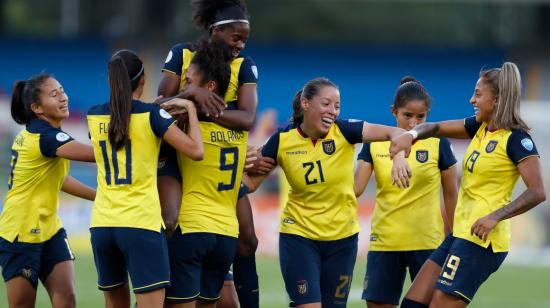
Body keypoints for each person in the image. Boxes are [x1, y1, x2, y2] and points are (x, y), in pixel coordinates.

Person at [243, 77, 413, 308]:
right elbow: (250, 184)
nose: (333, 111)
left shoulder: (346, 130)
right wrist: (238, 164)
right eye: (326, 104)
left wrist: (400, 159)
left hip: (342, 239)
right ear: (306, 104)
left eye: (337, 106)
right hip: (299, 237)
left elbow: (397, 133)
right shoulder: (281, 141)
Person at [390, 62, 546, 308]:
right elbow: (436, 127)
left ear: (495, 100)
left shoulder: (517, 140)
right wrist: (410, 136)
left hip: (482, 240)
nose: (472, 100)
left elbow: (538, 192)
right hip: (460, 233)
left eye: (478, 94)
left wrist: (495, 217)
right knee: (412, 302)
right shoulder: (479, 128)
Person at [158, 0, 261, 306]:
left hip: (219, 157)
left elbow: (246, 119)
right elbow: (161, 103)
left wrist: (196, 105)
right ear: (217, 31)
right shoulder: (182, 54)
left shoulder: (244, 66)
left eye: (244, 39)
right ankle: (156, 281)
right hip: (182, 159)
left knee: (249, 240)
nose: (240, 45)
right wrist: (192, 94)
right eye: (236, 38)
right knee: (171, 219)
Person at [87, 49, 203, 308]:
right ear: (143, 81)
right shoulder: (152, 115)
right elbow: (196, 151)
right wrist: (190, 109)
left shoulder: (93, 116)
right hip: (140, 224)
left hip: (102, 224)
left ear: (110, 81)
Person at [354, 77, 458, 308]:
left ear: (427, 114)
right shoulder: (375, 142)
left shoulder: (439, 144)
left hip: (427, 242)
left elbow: (451, 194)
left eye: (420, 116)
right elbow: (356, 189)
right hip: (385, 241)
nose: (413, 123)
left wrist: (456, 237)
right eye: (407, 115)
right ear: (394, 111)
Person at [0, 73, 96, 308]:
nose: (63, 97)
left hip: (50, 229)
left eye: (62, 90)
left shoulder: (38, 134)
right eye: (54, 94)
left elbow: (58, 179)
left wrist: (100, 197)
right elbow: (96, 155)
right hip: (21, 233)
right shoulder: (45, 137)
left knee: (67, 299)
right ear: (37, 108)